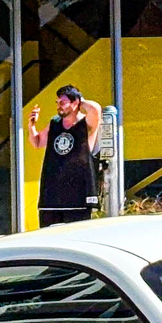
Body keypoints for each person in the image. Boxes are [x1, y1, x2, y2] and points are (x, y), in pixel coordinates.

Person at [26, 83, 102, 225]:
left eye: (63, 102)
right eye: (57, 102)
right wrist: (32, 126)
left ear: (75, 103)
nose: (59, 105)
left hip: (77, 193)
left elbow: (96, 109)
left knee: (76, 233)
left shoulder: (86, 124)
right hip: (52, 192)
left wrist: (79, 99)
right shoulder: (54, 123)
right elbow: (37, 142)